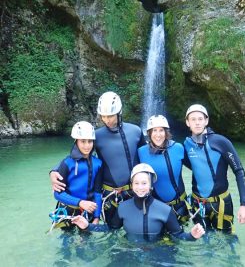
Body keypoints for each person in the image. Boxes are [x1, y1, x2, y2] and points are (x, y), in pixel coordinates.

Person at [50, 92, 146, 228]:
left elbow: (146, 157)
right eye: (104, 116)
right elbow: (77, 155)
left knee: (136, 230)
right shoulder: (97, 135)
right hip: (109, 194)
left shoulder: (136, 131)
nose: (107, 120)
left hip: (133, 191)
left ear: (119, 112)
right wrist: (54, 170)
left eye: (110, 116)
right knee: (112, 233)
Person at [72, 163, 205, 241]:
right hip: (130, 250)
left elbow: (178, 235)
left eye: (144, 183)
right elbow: (111, 229)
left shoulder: (165, 210)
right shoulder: (122, 208)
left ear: (151, 185)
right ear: (131, 185)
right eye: (136, 183)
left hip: (158, 250)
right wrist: (87, 226)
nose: (140, 187)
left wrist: (192, 235)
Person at [184, 104, 245, 234]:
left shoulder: (220, 142)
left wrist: (244, 205)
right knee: (204, 240)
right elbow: (193, 167)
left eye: (200, 119)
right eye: (193, 119)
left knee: (228, 240)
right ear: (187, 122)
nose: (197, 123)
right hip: (198, 203)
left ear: (206, 121)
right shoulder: (186, 145)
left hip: (221, 203)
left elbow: (239, 171)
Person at [138, 115, 189, 223]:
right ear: (149, 133)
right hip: (155, 207)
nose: (158, 134)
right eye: (154, 130)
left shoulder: (178, 148)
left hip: (179, 206)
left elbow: (196, 168)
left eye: (161, 130)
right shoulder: (141, 152)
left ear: (166, 132)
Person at [51, 121, 102, 229]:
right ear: (76, 142)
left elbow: (97, 193)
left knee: (85, 243)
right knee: (66, 242)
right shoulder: (67, 163)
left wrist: (97, 217)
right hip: (67, 210)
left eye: (90, 141)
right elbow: (57, 194)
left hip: (87, 210)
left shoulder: (98, 163)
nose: (87, 146)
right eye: (83, 141)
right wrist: (80, 203)